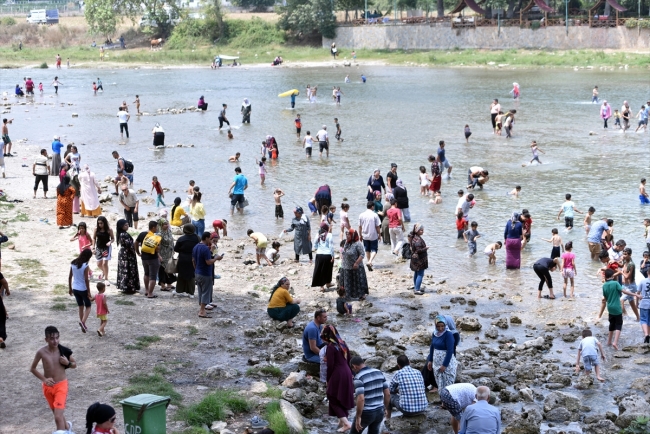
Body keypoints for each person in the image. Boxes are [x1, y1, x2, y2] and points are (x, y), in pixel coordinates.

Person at [30, 326, 76, 433]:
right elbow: (32, 369)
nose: (55, 341)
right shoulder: (41, 352)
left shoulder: (63, 351)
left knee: (57, 417)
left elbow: (74, 365)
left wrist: (68, 363)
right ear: (46, 339)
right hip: (48, 387)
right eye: (52, 338)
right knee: (57, 413)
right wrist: (44, 379)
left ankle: (62, 430)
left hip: (61, 386)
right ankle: (68, 429)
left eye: (57, 338)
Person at [322, 324, 354, 432]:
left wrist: (328, 379)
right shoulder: (342, 343)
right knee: (342, 395)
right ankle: (342, 420)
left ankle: (346, 424)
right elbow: (349, 358)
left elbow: (330, 365)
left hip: (338, 373)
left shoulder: (331, 347)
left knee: (332, 397)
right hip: (347, 372)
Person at [349, 356, 390, 434]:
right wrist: (384, 408)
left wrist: (358, 417)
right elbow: (387, 393)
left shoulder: (358, 378)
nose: (353, 370)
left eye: (352, 369)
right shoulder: (379, 372)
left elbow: (361, 399)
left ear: (354, 366)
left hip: (367, 412)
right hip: (379, 410)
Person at [193, 231, 222, 317]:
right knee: (206, 291)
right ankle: (202, 311)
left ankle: (201, 309)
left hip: (197, 272)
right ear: (206, 238)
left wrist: (196, 269)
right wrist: (216, 258)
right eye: (210, 238)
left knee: (200, 291)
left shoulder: (196, 247)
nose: (211, 240)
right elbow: (208, 262)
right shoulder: (205, 248)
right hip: (205, 273)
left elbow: (193, 260)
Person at [427, 315, 458, 394]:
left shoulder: (448, 335)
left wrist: (444, 365)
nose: (440, 328)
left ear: (445, 325)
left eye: (442, 326)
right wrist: (430, 360)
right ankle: (443, 401)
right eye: (438, 326)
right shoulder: (435, 333)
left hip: (447, 363)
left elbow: (450, 351)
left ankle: (449, 401)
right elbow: (432, 346)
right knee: (439, 382)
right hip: (436, 362)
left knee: (448, 383)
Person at [135, 221, 163, 299]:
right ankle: (150, 294)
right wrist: (159, 255)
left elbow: (136, 243)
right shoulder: (155, 237)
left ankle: (147, 290)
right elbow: (157, 249)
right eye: (157, 227)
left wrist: (138, 252)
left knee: (146, 274)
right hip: (153, 258)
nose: (157, 229)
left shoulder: (142, 234)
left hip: (144, 257)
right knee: (153, 276)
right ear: (153, 227)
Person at [69, 248, 94, 333]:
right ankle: (82, 322)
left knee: (80, 306)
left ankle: (83, 325)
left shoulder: (73, 263)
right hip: (83, 288)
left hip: (75, 288)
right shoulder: (85, 265)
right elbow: (86, 279)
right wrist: (89, 291)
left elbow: (70, 277)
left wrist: (70, 288)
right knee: (88, 306)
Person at [341, 229, 368, 301]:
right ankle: (347, 296)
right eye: (346, 234)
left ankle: (361, 295)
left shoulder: (358, 244)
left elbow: (362, 254)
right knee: (347, 282)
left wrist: (356, 263)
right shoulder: (347, 242)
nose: (347, 236)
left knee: (358, 282)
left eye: (349, 234)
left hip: (356, 267)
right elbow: (344, 252)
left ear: (353, 235)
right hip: (346, 266)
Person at [173, 224, 199, 298]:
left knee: (181, 274)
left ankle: (179, 290)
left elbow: (176, 249)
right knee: (191, 275)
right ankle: (191, 292)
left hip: (183, 258)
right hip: (193, 258)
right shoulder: (197, 238)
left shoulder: (181, 239)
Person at [115, 219, 140, 295]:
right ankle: (129, 287)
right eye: (125, 225)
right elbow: (129, 245)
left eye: (127, 224)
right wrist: (135, 249)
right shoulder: (124, 234)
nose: (127, 226)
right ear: (121, 226)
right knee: (128, 269)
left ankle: (125, 286)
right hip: (127, 254)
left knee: (125, 270)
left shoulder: (121, 233)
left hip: (123, 253)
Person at [358, 201, 381, 271]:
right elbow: (377, 226)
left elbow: (360, 227)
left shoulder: (361, 215)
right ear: (372, 207)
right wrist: (379, 234)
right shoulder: (375, 215)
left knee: (367, 249)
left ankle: (369, 262)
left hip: (365, 235)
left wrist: (360, 235)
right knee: (374, 249)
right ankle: (370, 261)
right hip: (373, 235)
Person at [312, 223, 335, 291]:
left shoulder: (318, 234)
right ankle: (328, 283)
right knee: (328, 269)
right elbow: (331, 246)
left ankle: (321, 286)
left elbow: (314, 244)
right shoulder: (329, 235)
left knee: (320, 270)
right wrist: (333, 256)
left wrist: (318, 248)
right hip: (327, 255)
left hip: (319, 255)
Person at [93, 216, 114, 285]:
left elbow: (113, 238)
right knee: (99, 264)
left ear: (104, 223)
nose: (100, 225)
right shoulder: (96, 229)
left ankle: (106, 279)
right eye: (99, 223)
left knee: (104, 263)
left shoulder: (109, 229)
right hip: (98, 248)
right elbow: (94, 238)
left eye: (101, 223)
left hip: (106, 248)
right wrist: (93, 248)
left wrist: (110, 242)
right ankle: (104, 272)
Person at [157, 219, 177, 292]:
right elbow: (157, 245)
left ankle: (169, 283)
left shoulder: (169, 231)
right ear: (161, 225)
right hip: (163, 254)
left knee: (170, 268)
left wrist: (173, 249)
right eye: (165, 224)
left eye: (167, 224)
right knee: (162, 269)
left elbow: (171, 241)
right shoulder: (159, 234)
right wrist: (158, 255)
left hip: (169, 253)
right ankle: (162, 285)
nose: (167, 225)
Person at [409, 223, 428, 295]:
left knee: (416, 273)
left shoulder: (414, 237)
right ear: (417, 231)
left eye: (423, 230)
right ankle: (417, 289)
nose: (423, 231)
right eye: (421, 230)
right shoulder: (418, 240)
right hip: (419, 259)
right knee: (420, 274)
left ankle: (416, 286)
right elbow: (418, 250)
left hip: (415, 259)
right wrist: (425, 248)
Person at [637, 274, 650, 343]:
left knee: (643, 320)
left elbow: (638, 293)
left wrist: (636, 303)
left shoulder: (642, 281)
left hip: (644, 303)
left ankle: (646, 334)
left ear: (647, 273)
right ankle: (648, 335)